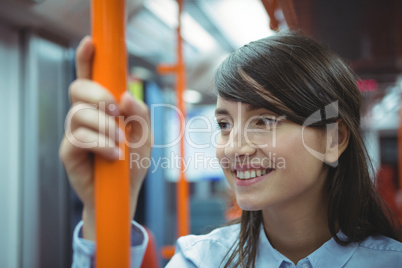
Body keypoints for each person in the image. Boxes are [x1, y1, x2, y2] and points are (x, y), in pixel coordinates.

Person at [60, 32, 402, 268]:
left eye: (264, 121)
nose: (234, 147)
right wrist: (104, 208)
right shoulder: (200, 260)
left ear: (333, 139)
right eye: (225, 125)